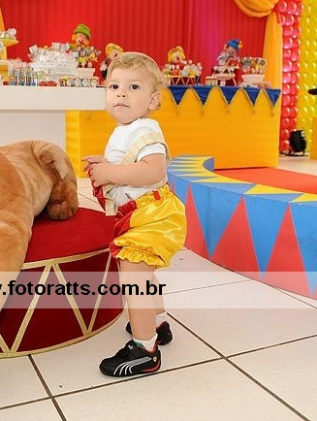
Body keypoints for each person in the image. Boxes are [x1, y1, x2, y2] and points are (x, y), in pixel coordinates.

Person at [82, 52, 186, 377]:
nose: (122, 94)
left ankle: (145, 350)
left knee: (134, 279)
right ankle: (158, 324)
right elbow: (130, 160)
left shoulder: (145, 129)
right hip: (143, 213)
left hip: (153, 215)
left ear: (153, 100)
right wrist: (106, 163)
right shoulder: (127, 129)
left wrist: (111, 172)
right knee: (143, 272)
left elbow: (154, 170)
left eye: (134, 87)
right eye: (114, 86)